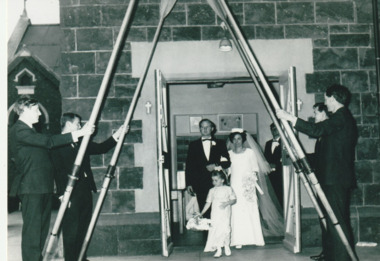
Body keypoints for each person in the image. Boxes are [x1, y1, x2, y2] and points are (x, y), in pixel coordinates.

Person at [276, 84, 358, 261]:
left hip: (335, 179)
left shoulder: (341, 116)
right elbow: (327, 150)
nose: (326, 103)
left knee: (337, 222)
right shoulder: (341, 118)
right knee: (332, 221)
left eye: (327, 99)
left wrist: (290, 117)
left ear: (334, 99)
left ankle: (341, 258)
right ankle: (331, 256)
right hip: (333, 178)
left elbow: (316, 129)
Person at [9, 96, 94, 261]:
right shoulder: (19, 130)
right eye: (36, 110)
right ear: (25, 110)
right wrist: (79, 133)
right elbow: (49, 142)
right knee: (33, 234)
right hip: (31, 187)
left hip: (42, 187)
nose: (39, 114)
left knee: (41, 232)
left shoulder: (31, 131)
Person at [51, 113, 127, 261]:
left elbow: (101, 148)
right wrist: (62, 195)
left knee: (82, 227)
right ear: (69, 124)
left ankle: (81, 257)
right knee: (70, 230)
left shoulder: (81, 141)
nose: (80, 126)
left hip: (85, 190)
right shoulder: (57, 144)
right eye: (78, 124)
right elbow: (57, 171)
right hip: (70, 191)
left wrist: (117, 134)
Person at [227, 128, 283, 249]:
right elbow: (229, 171)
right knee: (236, 210)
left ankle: (255, 238)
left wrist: (250, 180)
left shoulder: (250, 153)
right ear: (231, 140)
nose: (237, 141)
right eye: (234, 139)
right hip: (234, 185)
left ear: (243, 140)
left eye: (239, 139)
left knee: (250, 209)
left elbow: (255, 168)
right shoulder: (229, 154)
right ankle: (238, 239)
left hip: (248, 185)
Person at [185, 119, 231, 218]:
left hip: (217, 183)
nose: (205, 129)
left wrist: (215, 165)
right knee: (204, 210)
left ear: (212, 128)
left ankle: (218, 233)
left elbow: (227, 162)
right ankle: (207, 233)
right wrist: (188, 183)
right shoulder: (193, 145)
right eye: (202, 127)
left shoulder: (220, 143)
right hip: (200, 183)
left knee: (218, 210)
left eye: (207, 127)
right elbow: (189, 165)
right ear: (200, 129)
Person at [198, 170, 236, 258]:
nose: (213, 182)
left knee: (226, 228)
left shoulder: (228, 189)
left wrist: (226, 203)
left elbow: (234, 200)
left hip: (225, 213)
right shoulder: (212, 190)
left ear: (222, 180)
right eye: (213, 180)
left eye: (216, 180)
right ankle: (218, 249)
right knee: (216, 229)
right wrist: (201, 213)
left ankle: (226, 246)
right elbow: (208, 203)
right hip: (215, 213)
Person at [308, 103, 328, 261]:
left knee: (328, 217)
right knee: (323, 217)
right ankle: (326, 251)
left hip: (328, 182)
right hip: (321, 180)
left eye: (316, 113)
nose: (314, 116)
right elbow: (319, 157)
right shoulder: (322, 136)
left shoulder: (328, 134)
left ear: (324, 114)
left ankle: (329, 252)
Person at [264, 123, 283, 208]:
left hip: (281, 174)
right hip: (270, 174)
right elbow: (265, 158)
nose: (274, 130)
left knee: (281, 194)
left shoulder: (284, 142)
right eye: (273, 129)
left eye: (276, 128)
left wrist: (277, 165)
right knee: (272, 194)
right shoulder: (268, 143)